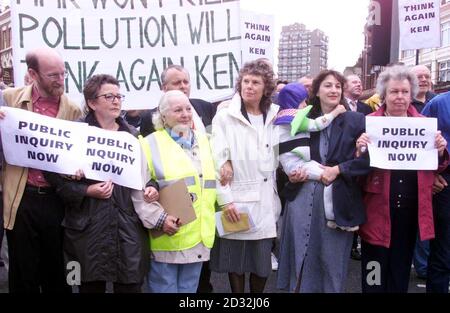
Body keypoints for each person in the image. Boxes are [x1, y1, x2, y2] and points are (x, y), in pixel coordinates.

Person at [43, 74, 150, 293]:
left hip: (126, 228)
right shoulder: (74, 134)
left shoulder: (133, 136)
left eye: (119, 96)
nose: (116, 101)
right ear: (92, 103)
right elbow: (53, 178)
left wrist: (152, 188)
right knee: (86, 285)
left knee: (130, 287)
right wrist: (86, 190)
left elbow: (149, 176)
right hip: (86, 229)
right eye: (109, 96)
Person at [356, 65, 448, 293]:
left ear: (411, 94)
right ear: (384, 95)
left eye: (404, 92)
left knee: (399, 275)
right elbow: (354, 170)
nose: (399, 97)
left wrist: (440, 152)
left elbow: (436, 167)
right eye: (394, 92)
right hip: (376, 211)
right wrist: (359, 151)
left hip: (408, 213)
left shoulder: (424, 125)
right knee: (374, 275)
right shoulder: (367, 123)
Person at [276, 70, 370, 293]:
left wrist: (339, 168)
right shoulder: (304, 119)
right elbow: (285, 152)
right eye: (328, 86)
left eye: (338, 86)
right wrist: (290, 173)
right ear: (316, 92)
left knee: (331, 261)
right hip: (301, 198)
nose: (334, 90)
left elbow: (368, 161)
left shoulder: (357, 120)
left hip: (337, 202)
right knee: (300, 257)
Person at [0, 47, 81, 292]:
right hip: (21, 198)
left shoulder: (74, 110)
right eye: (53, 75)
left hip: (57, 201)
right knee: (23, 273)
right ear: (33, 74)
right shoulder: (9, 100)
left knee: (60, 273)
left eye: (63, 74)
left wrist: (77, 169)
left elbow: (77, 155)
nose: (60, 80)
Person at [132, 90, 217, 293]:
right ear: (162, 117)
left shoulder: (205, 140)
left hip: (198, 236)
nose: (185, 114)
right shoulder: (148, 144)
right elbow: (138, 192)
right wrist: (159, 219)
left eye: (188, 108)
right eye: (177, 110)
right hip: (168, 235)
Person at [209, 59, 281, 293]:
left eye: (256, 82)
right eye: (246, 81)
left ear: (266, 88)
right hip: (236, 197)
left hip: (266, 199)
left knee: (262, 263)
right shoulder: (224, 116)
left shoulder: (275, 115)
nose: (249, 86)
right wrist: (226, 199)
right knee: (235, 262)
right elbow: (218, 158)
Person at [421, 91, 450, 293]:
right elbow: (419, 142)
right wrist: (430, 175)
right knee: (444, 251)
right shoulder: (438, 104)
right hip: (446, 182)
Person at [410, 64, 436, 279]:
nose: (425, 80)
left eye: (427, 76)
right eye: (420, 76)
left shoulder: (435, 101)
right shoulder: (402, 103)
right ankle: (422, 266)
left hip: (435, 172)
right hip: (409, 171)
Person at [139, 65, 217, 137]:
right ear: (164, 87)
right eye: (177, 83)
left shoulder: (206, 107)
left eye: (186, 82)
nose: (183, 86)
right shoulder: (149, 118)